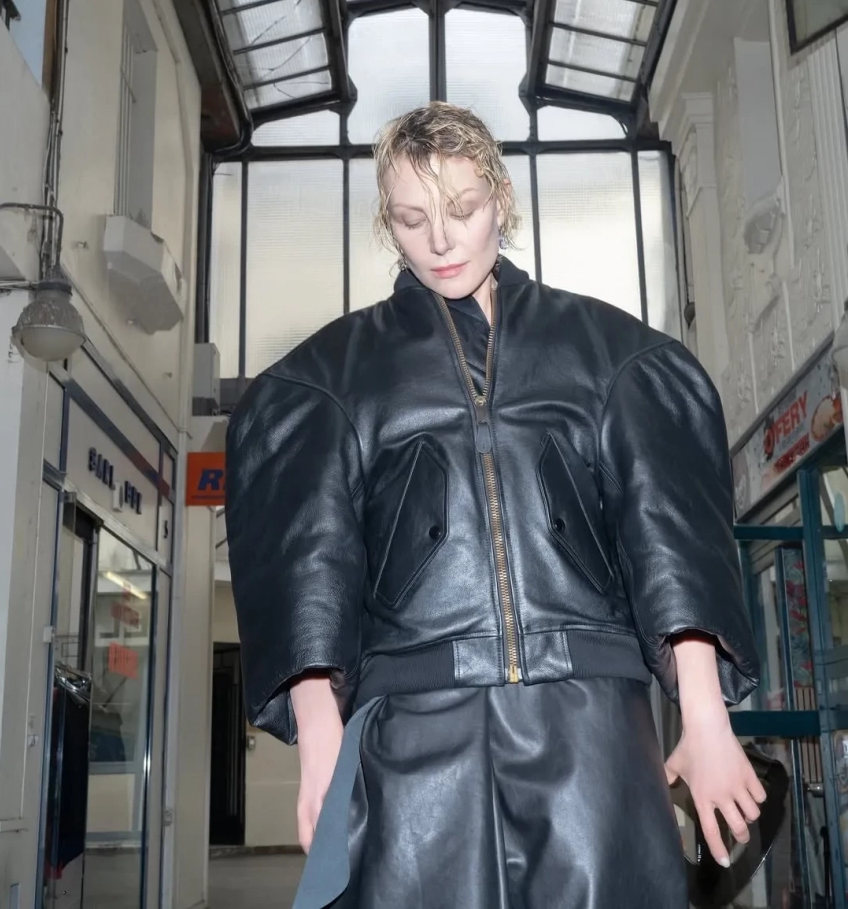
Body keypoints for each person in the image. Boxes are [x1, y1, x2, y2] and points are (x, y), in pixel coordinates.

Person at [225, 102, 765, 909]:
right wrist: (320, 743)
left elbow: (665, 532)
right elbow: (311, 554)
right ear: (385, 221)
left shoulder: (611, 358)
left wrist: (706, 716)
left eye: (464, 208)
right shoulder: (329, 382)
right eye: (411, 219)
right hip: (413, 730)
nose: (440, 241)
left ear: (502, 198)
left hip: (590, 724)